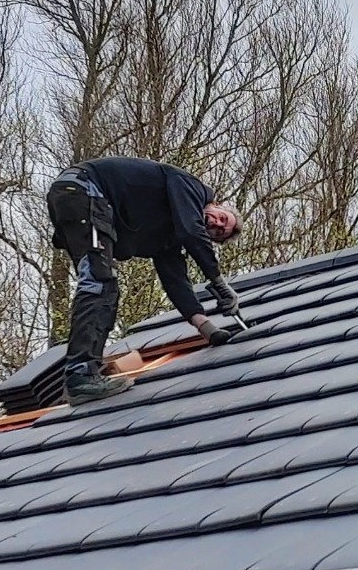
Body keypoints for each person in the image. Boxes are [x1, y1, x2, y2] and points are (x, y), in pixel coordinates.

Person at [46, 156, 242, 404]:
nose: (215, 224)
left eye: (217, 233)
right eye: (221, 219)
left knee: (104, 287)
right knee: (98, 284)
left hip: (77, 201)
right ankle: (80, 376)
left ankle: (85, 374)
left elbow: (176, 282)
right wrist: (219, 282)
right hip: (85, 190)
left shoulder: (169, 236)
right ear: (217, 205)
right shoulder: (194, 189)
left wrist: (208, 329)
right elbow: (192, 231)